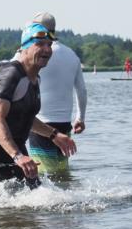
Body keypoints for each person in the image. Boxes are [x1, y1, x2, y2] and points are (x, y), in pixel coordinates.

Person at [0, 23, 77, 189]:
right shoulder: (11, 74)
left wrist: (54, 135)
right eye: (39, 44)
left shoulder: (34, 78)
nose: (47, 50)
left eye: (49, 45)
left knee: (40, 203)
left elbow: (24, 117)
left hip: (18, 158)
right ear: (24, 48)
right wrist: (17, 156)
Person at [25, 13, 87, 175]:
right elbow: (81, 90)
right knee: (61, 173)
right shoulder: (71, 55)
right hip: (65, 125)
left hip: (40, 124)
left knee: (42, 175)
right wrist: (80, 118)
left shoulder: (33, 54)